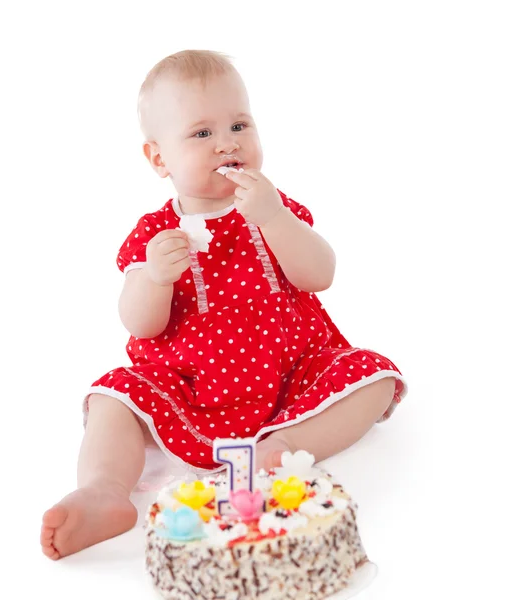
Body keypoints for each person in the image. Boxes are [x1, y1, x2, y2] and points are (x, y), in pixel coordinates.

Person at [40, 49, 408, 560]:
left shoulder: (274, 210)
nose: (227, 143)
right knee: (112, 395)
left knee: (375, 375)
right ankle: (104, 490)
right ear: (158, 158)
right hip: (188, 387)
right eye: (202, 133)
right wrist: (155, 278)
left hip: (291, 375)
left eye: (239, 124)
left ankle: (279, 450)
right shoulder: (155, 234)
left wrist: (275, 218)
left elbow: (320, 274)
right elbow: (139, 325)